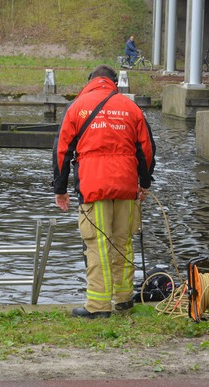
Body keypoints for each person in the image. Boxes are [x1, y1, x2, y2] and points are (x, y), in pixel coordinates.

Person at [53, 65, 155, 319]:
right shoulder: (131, 108)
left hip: (93, 184)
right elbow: (147, 149)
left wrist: (60, 188)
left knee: (98, 244)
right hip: (126, 184)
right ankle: (123, 299)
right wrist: (144, 183)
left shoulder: (77, 107)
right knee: (123, 242)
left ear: (90, 81)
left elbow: (61, 150)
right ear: (113, 83)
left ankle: (98, 306)